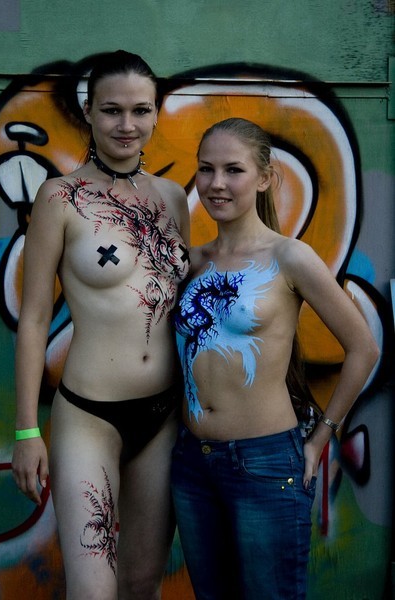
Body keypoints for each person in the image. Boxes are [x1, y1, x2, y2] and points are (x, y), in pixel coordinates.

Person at [171, 117, 379, 600]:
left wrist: (321, 437)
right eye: (206, 169)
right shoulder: (193, 262)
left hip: (264, 464)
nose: (216, 183)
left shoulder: (289, 257)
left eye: (234, 170)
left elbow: (364, 348)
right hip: (192, 463)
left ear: (264, 177)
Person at [11, 50, 190, 600]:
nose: (127, 125)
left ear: (156, 113)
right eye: (112, 110)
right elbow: (34, 318)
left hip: (164, 416)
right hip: (89, 416)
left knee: (141, 582)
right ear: (88, 112)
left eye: (141, 110)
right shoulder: (59, 198)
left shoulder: (172, 198)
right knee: (92, 590)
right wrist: (26, 430)